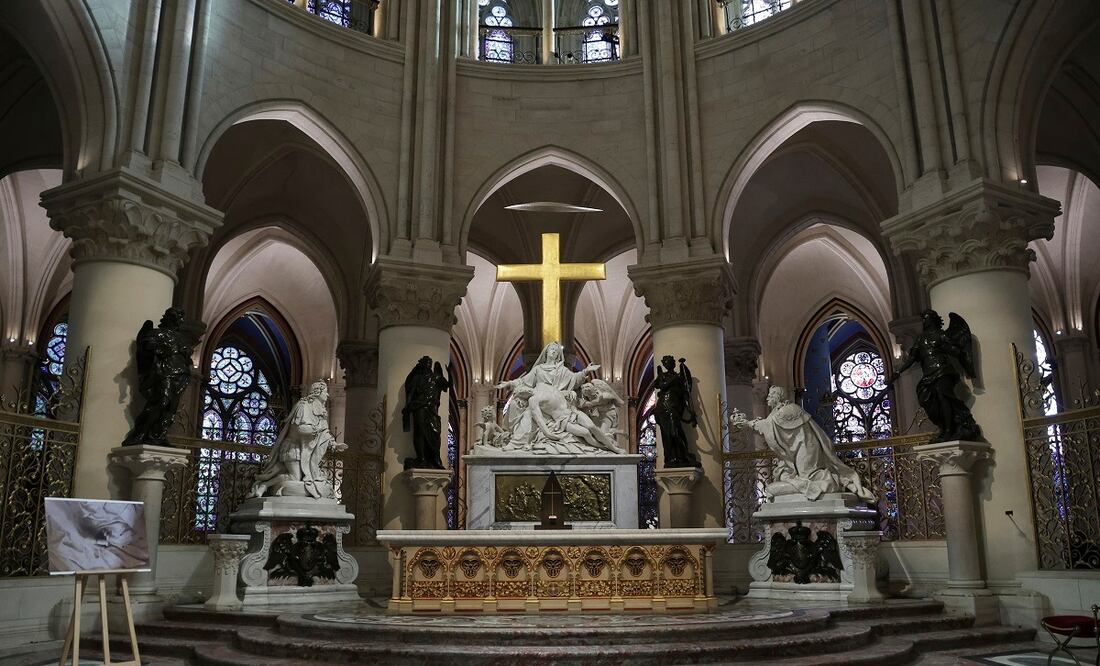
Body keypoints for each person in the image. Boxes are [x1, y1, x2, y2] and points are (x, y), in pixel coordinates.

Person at [731, 386, 875, 502]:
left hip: (806, 448)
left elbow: (768, 425)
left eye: (771, 394)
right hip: (798, 450)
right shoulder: (776, 413)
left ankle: (836, 482)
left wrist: (747, 424)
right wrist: (748, 424)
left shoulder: (788, 409)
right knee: (784, 478)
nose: (768, 397)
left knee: (809, 476)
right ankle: (836, 482)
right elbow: (769, 425)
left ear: (778, 397)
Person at [496, 341, 624, 454]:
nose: (554, 351)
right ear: (546, 352)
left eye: (556, 350)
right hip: (552, 413)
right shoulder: (538, 370)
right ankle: (516, 443)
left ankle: (610, 448)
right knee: (527, 415)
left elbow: (574, 378)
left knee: (591, 428)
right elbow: (523, 381)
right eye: (551, 349)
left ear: (558, 354)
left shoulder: (562, 370)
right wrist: (509, 384)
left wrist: (586, 371)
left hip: (566, 407)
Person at [888, 309, 981, 443]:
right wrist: (898, 372)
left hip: (943, 371)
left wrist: (949, 348)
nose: (924, 321)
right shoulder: (921, 339)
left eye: (926, 318)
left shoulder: (941, 335)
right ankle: (944, 427)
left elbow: (956, 350)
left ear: (933, 319)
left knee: (944, 397)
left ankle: (948, 430)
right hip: (929, 374)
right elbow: (911, 358)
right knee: (926, 399)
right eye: (923, 319)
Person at [250, 381, 345, 498]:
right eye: (325, 392)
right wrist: (317, 430)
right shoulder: (303, 406)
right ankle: (265, 485)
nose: (327, 395)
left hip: (307, 452)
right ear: (317, 392)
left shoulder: (321, 411)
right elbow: (300, 429)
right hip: (293, 448)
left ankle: (266, 485)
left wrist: (334, 444)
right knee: (295, 477)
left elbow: (325, 432)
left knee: (297, 478)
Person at [123, 307, 195, 446]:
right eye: (176, 318)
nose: (179, 322)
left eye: (180, 319)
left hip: (181, 374)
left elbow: (187, 355)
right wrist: (160, 348)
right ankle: (141, 433)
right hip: (164, 372)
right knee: (162, 401)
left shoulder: (181, 338)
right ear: (169, 319)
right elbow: (146, 347)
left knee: (171, 407)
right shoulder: (157, 333)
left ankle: (158, 435)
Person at [402, 356, 450, 469]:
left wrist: (449, 373)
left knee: (435, 433)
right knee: (420, 432)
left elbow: (448, 385)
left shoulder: (436, 377)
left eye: (430, 363)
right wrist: (407, 405)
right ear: (422, 364)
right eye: (426, 363)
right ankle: (422, 458)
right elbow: (410, 391)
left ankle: (435, 459)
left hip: (432, 409)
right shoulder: (417, 377)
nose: (428, 365)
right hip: (420, 407)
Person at [653, 355, 700, 467]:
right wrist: (668, 377)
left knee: (676, 432)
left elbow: (685, 396)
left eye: (670, 362)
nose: (668, 364)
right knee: (666, 435)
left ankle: (684, 456)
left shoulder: (679, 378)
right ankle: (670, 459)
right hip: (662, 408)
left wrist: (691, 412)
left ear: (674, 363)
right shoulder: (663, 376)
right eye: (665, 363)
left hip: (673, 408)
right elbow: (660, 385)